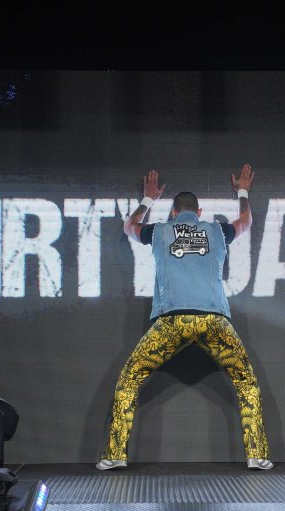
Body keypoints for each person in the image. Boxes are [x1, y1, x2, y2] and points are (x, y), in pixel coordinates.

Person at [97, 164, 273, 470]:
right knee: (247, 384)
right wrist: (243, 191)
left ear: (174, 212)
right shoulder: (217, 231)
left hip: (171, 323)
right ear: (199, 212)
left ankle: (114, 457)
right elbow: (246, 221)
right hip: (213, 322)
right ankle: (257, 456)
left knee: (128, 381)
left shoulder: (159, 231)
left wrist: (147, 199)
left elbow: (129, 226)